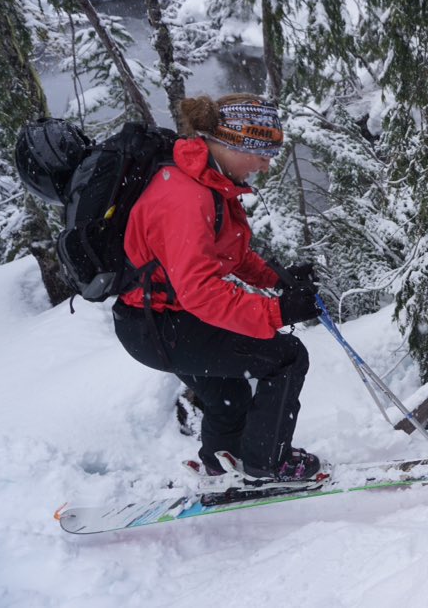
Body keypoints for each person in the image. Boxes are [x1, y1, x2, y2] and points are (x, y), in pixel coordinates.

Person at [112, 93, 323, 483]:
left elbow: (230, 254)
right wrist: (277, 312)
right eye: (262, 153)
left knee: (230, 395)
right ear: (232, 143)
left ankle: (221, 463)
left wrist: (278, 280)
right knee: (287, 356)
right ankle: (267, 462)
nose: (266, 165)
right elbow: (201, 291)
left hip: (157, 320)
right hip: (159, 327)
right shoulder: (186, 198)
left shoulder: (206, 180)